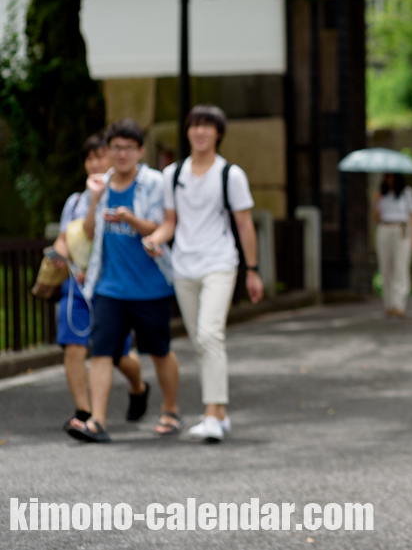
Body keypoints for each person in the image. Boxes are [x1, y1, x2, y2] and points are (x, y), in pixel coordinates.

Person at [143, 105, 263, 444]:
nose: (200, 131)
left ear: (218, 133)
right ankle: (219, 416)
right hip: (183, 265)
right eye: (194, 125)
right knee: (200, 340)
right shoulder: (172, 175)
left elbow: (244, 224)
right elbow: (170, 222)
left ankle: (212, 414)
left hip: (220, 263)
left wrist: (252, 270)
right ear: (187, 131)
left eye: (207, 126)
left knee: (210, 335)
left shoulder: (231, 175)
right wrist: (155, 238)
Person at [66, 119, 181, 443]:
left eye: (129, 147)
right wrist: (93, 200)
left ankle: (170, 409)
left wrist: (130, 218)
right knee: (101, 352)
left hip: (150, 285)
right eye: (116, 147)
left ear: (140, 150)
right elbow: (88, 233)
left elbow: (162, 225)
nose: (122, 153)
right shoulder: (100, 184)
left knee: (159, 351)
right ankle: (97, 421)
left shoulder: (154, 183)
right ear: (108, 150)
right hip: (108, 286)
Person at [53, 133, 148, 434]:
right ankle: (85, 411)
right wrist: (60, 256)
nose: (94, 163)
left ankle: (138, 385)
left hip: (109, 286)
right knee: (73, 344)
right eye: (89, 158)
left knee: (117, 354)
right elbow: (65, 237)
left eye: (99, 157)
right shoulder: (75, 201)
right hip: (77, 286)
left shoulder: (119, 194)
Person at [374, 173, 412, 317]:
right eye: (387, 177)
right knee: (385, 267)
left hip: (401, 229)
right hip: (384, 228)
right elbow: (376, 216)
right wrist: (375, 202)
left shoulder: (407, 192)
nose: (389, 180)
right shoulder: (381, 194)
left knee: (401, 267)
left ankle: (399, 303)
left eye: (392, 177)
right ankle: (388, 303)